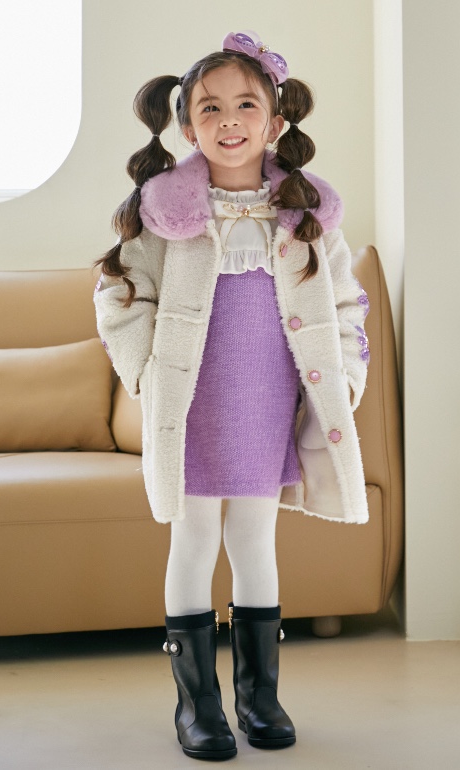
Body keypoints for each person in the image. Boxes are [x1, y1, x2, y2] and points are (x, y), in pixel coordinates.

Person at [94, 30, 370, 761]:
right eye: (209, 108)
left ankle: (259, 697)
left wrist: (344, 378)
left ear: (275, 120)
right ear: (188, 127)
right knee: (192, 540)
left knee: (254, 537)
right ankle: (198, 706)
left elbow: (347, 306)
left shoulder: (307, 214)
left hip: (267, 401)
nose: (229, 120)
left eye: (246, 104)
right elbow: (119, 298)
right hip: (191, 405)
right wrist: (147, 375)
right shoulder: (164, 214)